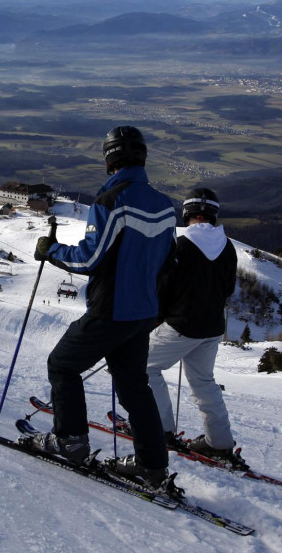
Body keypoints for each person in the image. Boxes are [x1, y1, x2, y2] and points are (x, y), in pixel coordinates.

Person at [27, 126, 177, 489]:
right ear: (142, 157)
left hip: (111, 309)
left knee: (62, 365)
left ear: (109, 159)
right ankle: (151, 467)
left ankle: (71, 441)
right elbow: (168, 261)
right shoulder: (164, 204)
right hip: (143, 312)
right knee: (133, 387)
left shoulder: (112, 201)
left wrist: (51, 251)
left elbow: (89, 259)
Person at [146, 188, 242, 464]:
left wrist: (154, 320)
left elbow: (163, 287)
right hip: (212, 327)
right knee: (203, 382)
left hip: (181, 325)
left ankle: (160, 430)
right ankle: (220, 443)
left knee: (145, 367)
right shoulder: (228, 246)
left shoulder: (178, 242)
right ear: (213, 214)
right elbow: (228, 289)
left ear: (187, 212)